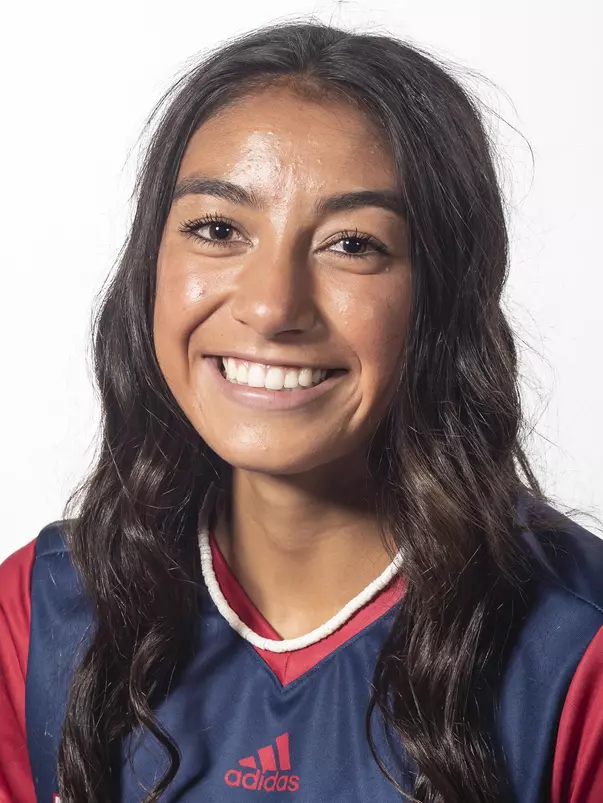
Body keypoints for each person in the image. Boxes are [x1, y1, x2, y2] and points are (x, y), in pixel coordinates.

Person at [0, 18, 601, 803]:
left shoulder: (576, 649)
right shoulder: (40, 613)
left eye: (353, 244)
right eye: (217, 229)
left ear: (441, 297)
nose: (272, 305)